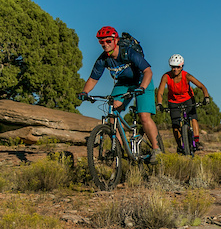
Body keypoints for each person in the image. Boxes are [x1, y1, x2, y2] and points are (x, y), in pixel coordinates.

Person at [78, 26, 162, 162]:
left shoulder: (128, 52)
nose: (105, 44)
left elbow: (148, 71)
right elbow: (93, 79)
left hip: (142, 81)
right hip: (123, 83)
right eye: (101, 42)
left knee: (144, 116)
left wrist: (142, 87)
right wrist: (85, 92)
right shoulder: (103, 59)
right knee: (113, 113)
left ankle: (156, 149)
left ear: (115, 40)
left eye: (108, 41)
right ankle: (118, 149)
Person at [156, 54, 210, 153]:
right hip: (173, 101)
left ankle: (196, 142)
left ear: (181, 67)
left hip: (188, 99)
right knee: (175, 125)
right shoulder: (166, 77)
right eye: (173, 67)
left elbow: (201, 86)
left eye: (177, 67)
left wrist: (206, 96)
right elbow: (160, 92)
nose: (175, 69)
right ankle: (180, 146)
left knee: (193, 119)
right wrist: (159, 103)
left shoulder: (187, 75)